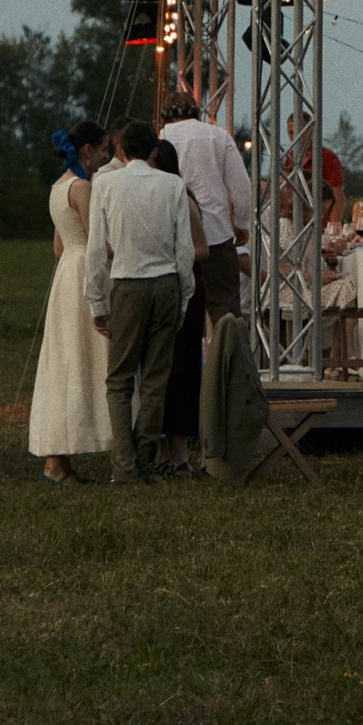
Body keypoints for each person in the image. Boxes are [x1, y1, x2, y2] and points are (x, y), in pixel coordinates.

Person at [84, 118, 197, 484]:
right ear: (153, 150)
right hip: (165, 284)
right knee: (155, 379)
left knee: (119, 380)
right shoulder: (173, 185)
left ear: (119, 148)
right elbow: (185, 250)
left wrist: (98, 304)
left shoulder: (104, 183)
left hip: (127, 284)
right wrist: (184, 299)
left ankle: (125, 465)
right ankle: (144, 458)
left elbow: (96, 249)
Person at [31, 124, 114, 483]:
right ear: (87, 151)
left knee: (64, 361)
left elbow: (58, 247)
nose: (107, 157)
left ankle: (57, 459)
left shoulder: (58, 187)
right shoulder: (83, 188)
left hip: (66, 273)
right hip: (85, 272)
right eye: (103, 150)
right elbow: (97, 243)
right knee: (89, 359)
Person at [157, 90, 252, 319]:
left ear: (165, 116)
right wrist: (241, 223)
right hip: (216, 236)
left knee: (180, 316)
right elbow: (242, 188)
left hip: (173, 237)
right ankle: (227, 354)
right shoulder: (219, 136)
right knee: (225, 313)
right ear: (197, 113)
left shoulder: (160, 139)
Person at [150, 138, 212, 477]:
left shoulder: (184, 200)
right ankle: (166, 449)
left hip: (188, 291)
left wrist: (174, 258)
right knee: (166, 371)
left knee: (182, 369)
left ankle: (181, 452)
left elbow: (202, 249)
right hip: (169, 288)